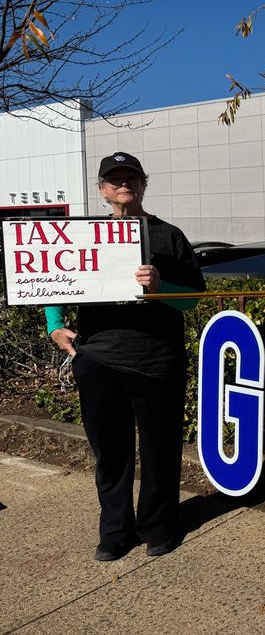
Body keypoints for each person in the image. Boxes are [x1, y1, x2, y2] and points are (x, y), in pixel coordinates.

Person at [46, 152, 205, 561]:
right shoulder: (81, 235)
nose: (123, 184)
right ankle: (115, 531)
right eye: (114, 179)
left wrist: (161, 287)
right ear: (102, 190)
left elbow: (193, 300)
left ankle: (159, 526)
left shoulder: (169, 236)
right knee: (110, 453)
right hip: (97, 359)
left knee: (160, 449)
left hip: (156, 359)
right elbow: (52, 284)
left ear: (142, 185)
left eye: (131, 178)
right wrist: (54, 324)